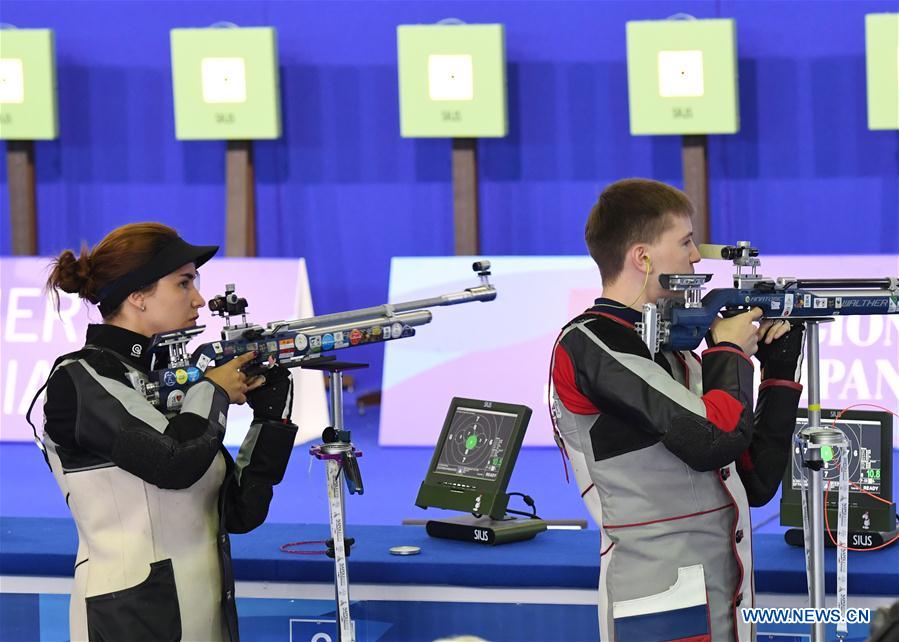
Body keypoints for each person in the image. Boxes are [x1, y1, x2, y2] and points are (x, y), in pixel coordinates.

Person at [550, 179, 806, 642]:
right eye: (686, 242)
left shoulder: (675, 348)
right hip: (659, 602)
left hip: (727, 597)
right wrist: (729, 352)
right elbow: (712, 440)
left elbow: (755, 480)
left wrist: (779, 374)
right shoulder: (589, 344)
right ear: (642, 257)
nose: (695, 257)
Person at [38, 222, 298, 642]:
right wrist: (213, 391)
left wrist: (271, 422)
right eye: (183, 283)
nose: (199, 299)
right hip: (127, 621)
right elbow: (173, 463)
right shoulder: (79, 379)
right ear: (137, 295)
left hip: (205, 618)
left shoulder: (172, 383)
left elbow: (239, 513)